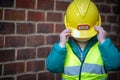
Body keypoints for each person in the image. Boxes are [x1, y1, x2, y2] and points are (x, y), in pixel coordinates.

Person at [46, 0, 120, 80]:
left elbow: (116, 64)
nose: (83, 37)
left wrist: (104, 42)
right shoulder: (64, 47)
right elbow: (52, 67)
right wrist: (60, 46)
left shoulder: (103, 46)